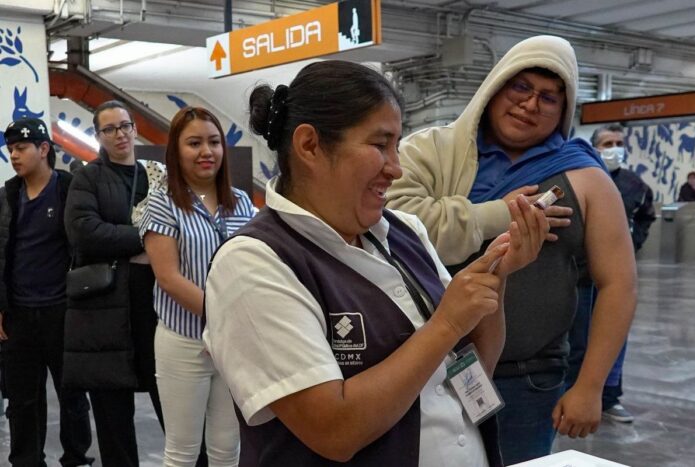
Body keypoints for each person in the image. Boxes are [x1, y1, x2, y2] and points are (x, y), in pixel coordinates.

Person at [204, 60, 549, 467]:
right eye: (380, 145)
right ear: (310, 145)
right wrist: (447, 323)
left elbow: (473, 370)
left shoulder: (405, 231)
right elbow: (334, 431)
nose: (396, 168)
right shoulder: (253, 262)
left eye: (396, 146)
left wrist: (495, 277)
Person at [385, 35, 637, 464]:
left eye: (549, 97)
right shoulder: (437, 153)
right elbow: (390, 225)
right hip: (426, 364)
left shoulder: (585, 177)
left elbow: (619, 284)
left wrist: (591, 386)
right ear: (495, 88)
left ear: (564, 110)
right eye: (520, 87)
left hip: (528, 378)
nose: (530, 104)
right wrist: (494, 213)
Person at [141, 107, 255, 466]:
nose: (206, 151)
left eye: (214, 142)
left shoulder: (241, 203)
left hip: (232, 345)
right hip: (184, 341)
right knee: (182, 452)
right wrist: (220, 318)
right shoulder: (163, 203)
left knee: (227, 450)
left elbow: (250, 269)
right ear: (176, 151)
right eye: (194, 143)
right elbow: (168, 277)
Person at [63, 100, 164, 467]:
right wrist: (146, 240)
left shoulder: (157, 175)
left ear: (134, 129)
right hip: (104, 313)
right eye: (109, 129)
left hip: (156, 307)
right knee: (113, 422)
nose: (119, 134)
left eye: (124, 126)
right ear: (98, 136)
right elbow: (84, 232)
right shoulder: (88, 178)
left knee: (176, 410)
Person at [0, 117, 94, 467]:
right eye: (11, 149)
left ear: (43, 149)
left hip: (63, 311)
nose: (14, 155)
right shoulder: (8, 197)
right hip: (19, 315)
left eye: (21, 148)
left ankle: (76, 457)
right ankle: (26, 460)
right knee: (21, 399)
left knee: (72, 394)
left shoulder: (69, 190)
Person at [566, 124, 657, 424]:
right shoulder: (579, 177)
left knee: (614, 339)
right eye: (608, 143)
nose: (615, 148)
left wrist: (633, 242)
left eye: (619, 142)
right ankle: (571, 393)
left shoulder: (635, 185)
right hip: (580, 276)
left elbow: (646, 216)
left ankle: (609, 396)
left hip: (614, 275)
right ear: (595, 147)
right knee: (577, 339)